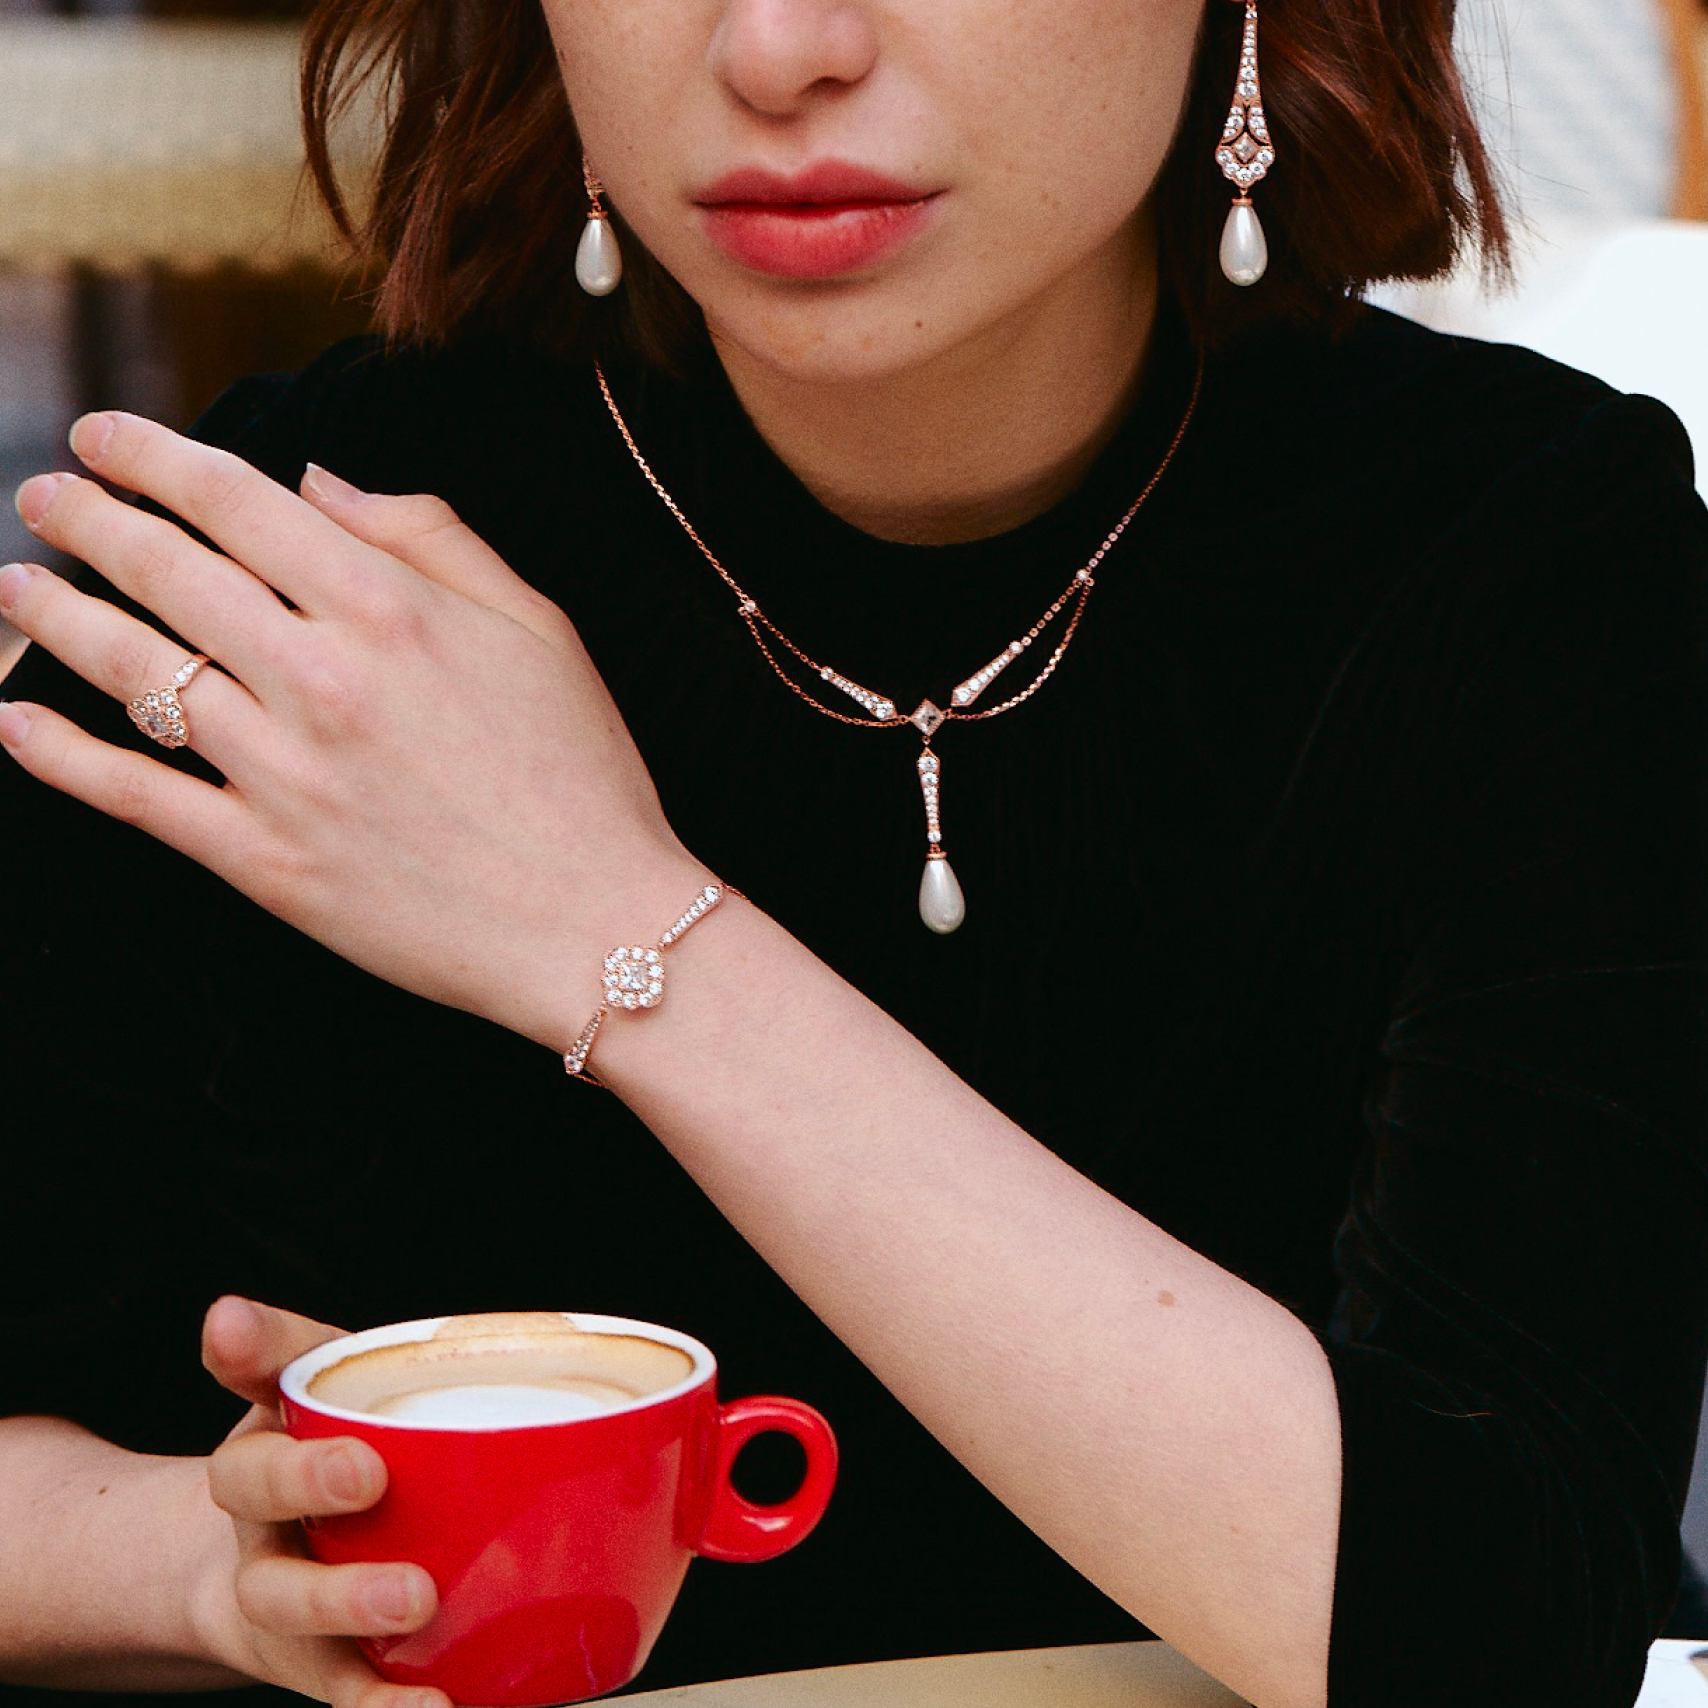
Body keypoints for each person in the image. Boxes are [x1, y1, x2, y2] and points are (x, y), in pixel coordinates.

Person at [0, 1, 1703, 1706]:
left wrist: (610, 923)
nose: (779, 47)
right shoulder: (291, 592)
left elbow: (1504, 1631)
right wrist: (203, 1566)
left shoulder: (1537, 557)